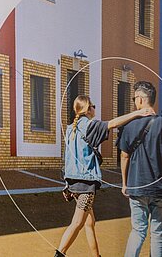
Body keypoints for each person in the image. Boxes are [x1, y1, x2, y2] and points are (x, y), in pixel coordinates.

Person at [55, 94, 154, 257]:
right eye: (93, 106)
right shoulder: (89, 125)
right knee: (77, 222)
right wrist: (137, 113)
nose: (95, 109)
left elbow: (68, 158)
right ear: (88, 109)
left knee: (90, 223)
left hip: (74, 184)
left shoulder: (70, 128)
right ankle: (60, 253)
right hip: (85, 186)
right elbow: (113, 123)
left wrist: (67, 184)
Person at [119, 81, 162, 257]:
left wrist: (124, 184)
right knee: (158, 233)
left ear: (141, 99)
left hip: (136, 186)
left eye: (134, 98)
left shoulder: (129, 125)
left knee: (138, 231)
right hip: (159, 188)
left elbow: (124, 156)